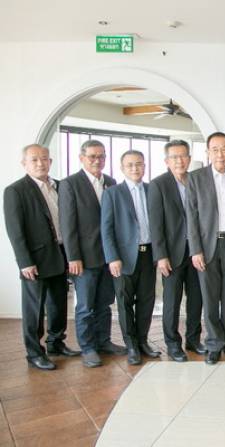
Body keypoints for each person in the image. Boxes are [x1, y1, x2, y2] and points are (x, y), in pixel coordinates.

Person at [4, 144, 80, 370]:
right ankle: (34, 353)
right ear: (24, 164)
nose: (40, 163)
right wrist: (24, 262)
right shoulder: (15, 190)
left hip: (61, 254)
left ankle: (56, 343)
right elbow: (15, 230)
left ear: (50, 161)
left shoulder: (60, 186)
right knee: (34, 309)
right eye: (34, 160)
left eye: (44, 159)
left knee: (58, 303)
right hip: (35, 260)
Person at [59, 140, 126, 368]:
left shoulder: (111, 182)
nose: (98, 160)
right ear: (82, 158)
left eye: (102, 156)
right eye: (92, 156)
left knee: (105, 303)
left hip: (108, 256)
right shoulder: (70, 184)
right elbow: (67, 225)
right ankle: (88, 348)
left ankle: (103, 341)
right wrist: (73, 257)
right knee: (85, 306)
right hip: (84, 258)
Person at [187, 132, 225, 365]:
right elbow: (191, 217)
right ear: (208, 152)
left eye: (224, 149)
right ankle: (214, 344)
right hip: (206, 246)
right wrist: (195, 250)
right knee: (210, 298)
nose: (220, 154)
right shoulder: (196, 178)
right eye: (215, 149)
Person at [101, 150, 158, 365]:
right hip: (123, 258)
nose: (135, 168)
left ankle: (142, 341)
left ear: (144, 166)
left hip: (149, 254)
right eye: (130, 165)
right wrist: (112, 257)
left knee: (146, 300)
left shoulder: (152, 190)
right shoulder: (112, 193)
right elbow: (106, 229)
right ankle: (131, 345)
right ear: (122, 168)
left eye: (139, 164)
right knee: (124, 302)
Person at [148, 140, 203, 362]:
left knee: (196, 299)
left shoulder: (196, 180)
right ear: (167, 161)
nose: (179, 161)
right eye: (174, 157)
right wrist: (160, 256)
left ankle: (193, 339)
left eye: (183, 156)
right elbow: (155, 224)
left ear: (189, 158)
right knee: (171, 301)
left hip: (197, 251)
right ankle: (172, 344)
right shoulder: (158, 184)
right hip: (171, 253)